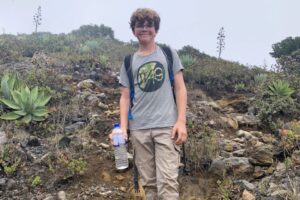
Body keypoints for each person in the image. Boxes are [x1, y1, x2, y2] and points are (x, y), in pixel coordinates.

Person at [114, 8, 187, 200]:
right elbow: (125, 96)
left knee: (168, 183)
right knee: (148, 186)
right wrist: (123, 128)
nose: (144, 29)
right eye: (140, 25)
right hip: (139, 129)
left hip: (167, 127)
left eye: (149, 25)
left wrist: (181, 122)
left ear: (156, 29)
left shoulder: (168, 54)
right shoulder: (129, 61)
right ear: (133, 30)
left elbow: (180, 88)